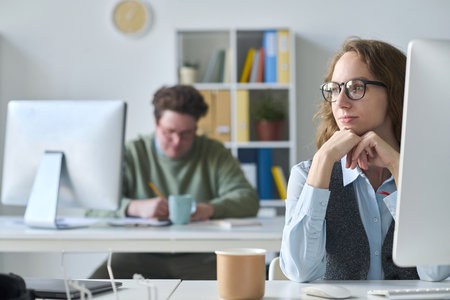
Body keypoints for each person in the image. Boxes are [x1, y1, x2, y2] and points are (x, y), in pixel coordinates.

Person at [280, 38, 450, 282]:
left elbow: (436, 272)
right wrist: (323, 160)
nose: (340, 102)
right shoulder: (307, 174)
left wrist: (398, 167)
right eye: (335, 89)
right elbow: (300, 273)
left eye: (356, 87)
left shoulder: (432, 175)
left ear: (395, 91)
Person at [88, 84, 259, 279]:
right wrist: (134, 207)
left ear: (196, 127)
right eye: (169, 132)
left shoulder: (214, 153)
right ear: (156, 122)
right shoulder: (132, 153)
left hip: (202, 254)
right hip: (136, 253)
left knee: (243, 288)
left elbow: (248, 200)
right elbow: (92, 207)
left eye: (186, 133)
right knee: (86, 291)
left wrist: (208, 209)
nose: (177, 141)